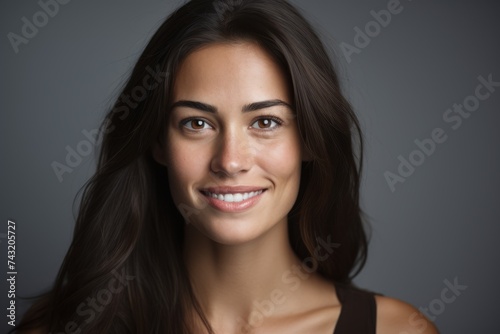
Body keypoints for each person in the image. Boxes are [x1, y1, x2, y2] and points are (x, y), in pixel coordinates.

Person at [16, 0, 439, 333]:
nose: (230, 161)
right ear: (157, 142)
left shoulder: (397, 330)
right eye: (197, 123)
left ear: (310, 140)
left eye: (266, 122)